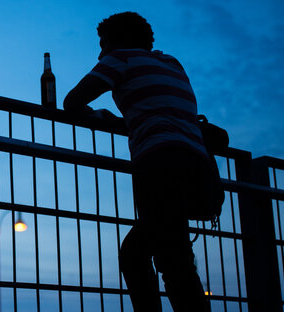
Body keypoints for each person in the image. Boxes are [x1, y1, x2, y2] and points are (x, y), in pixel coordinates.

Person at [63, 12, 213, 312]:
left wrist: (102, 118)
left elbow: (72, 102)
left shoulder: (120, 59)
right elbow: (158, 110)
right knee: (157, 252)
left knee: (168, 261)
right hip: (197, 164)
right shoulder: (172, 64)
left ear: (119, 41)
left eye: (103, 44)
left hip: (159, 162)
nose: (100, 52)